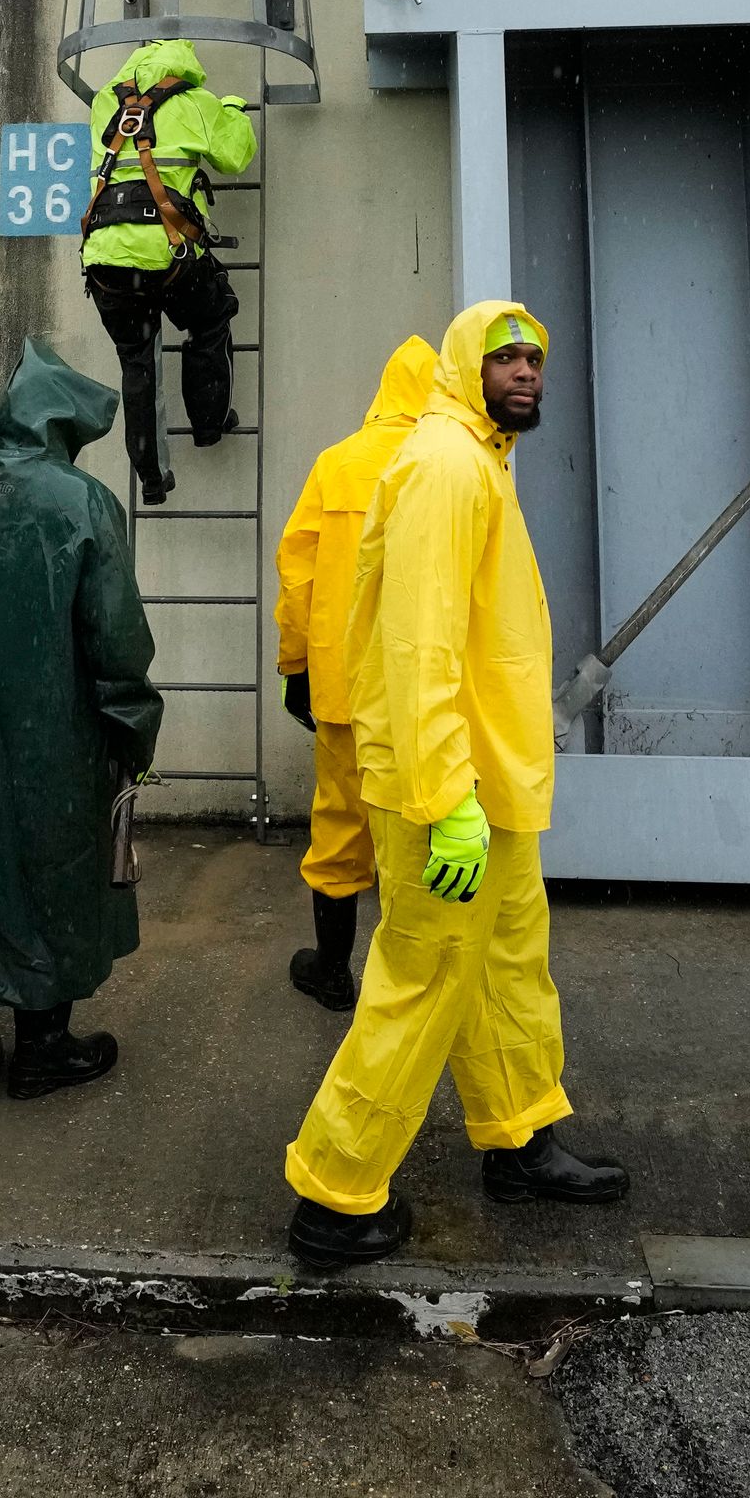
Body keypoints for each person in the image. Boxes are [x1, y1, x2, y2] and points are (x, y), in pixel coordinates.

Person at [281, 301, 632, 1269]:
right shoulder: (443, 465)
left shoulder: (480, 459)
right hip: (450, 793)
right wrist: (446, 800)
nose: (526, 370)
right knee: (422, 979)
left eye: (535, 357)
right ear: (463, 365)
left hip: (490, 783)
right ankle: (335, 1192)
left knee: (511, 965)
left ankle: (520, 1137)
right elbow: (418, 644)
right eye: (505, 355)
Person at [0, 339, 163, 1110]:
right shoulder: (80, 503)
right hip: (56, 736)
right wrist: (134, 727)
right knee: (53, 875)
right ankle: (41, 1049)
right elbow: (114, 635)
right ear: (62, 425)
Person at [270, 335, 441, 1012]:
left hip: (345, 686)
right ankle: (413, 982)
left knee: (341, 825)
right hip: (422, 690)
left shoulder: (337, 465)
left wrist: (294, 667)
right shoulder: (449, 465)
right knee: (419, 829)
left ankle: (332, 971)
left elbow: (299, 575)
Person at [75, 37, 254, 504]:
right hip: (168, 255)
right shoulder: (196, 103)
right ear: (186, 67)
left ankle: (152, 479)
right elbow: (236, 155)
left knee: (137, 360)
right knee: (209, 321)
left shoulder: (103, 104)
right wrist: (231, 108)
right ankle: (210, 425)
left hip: (104, 260)